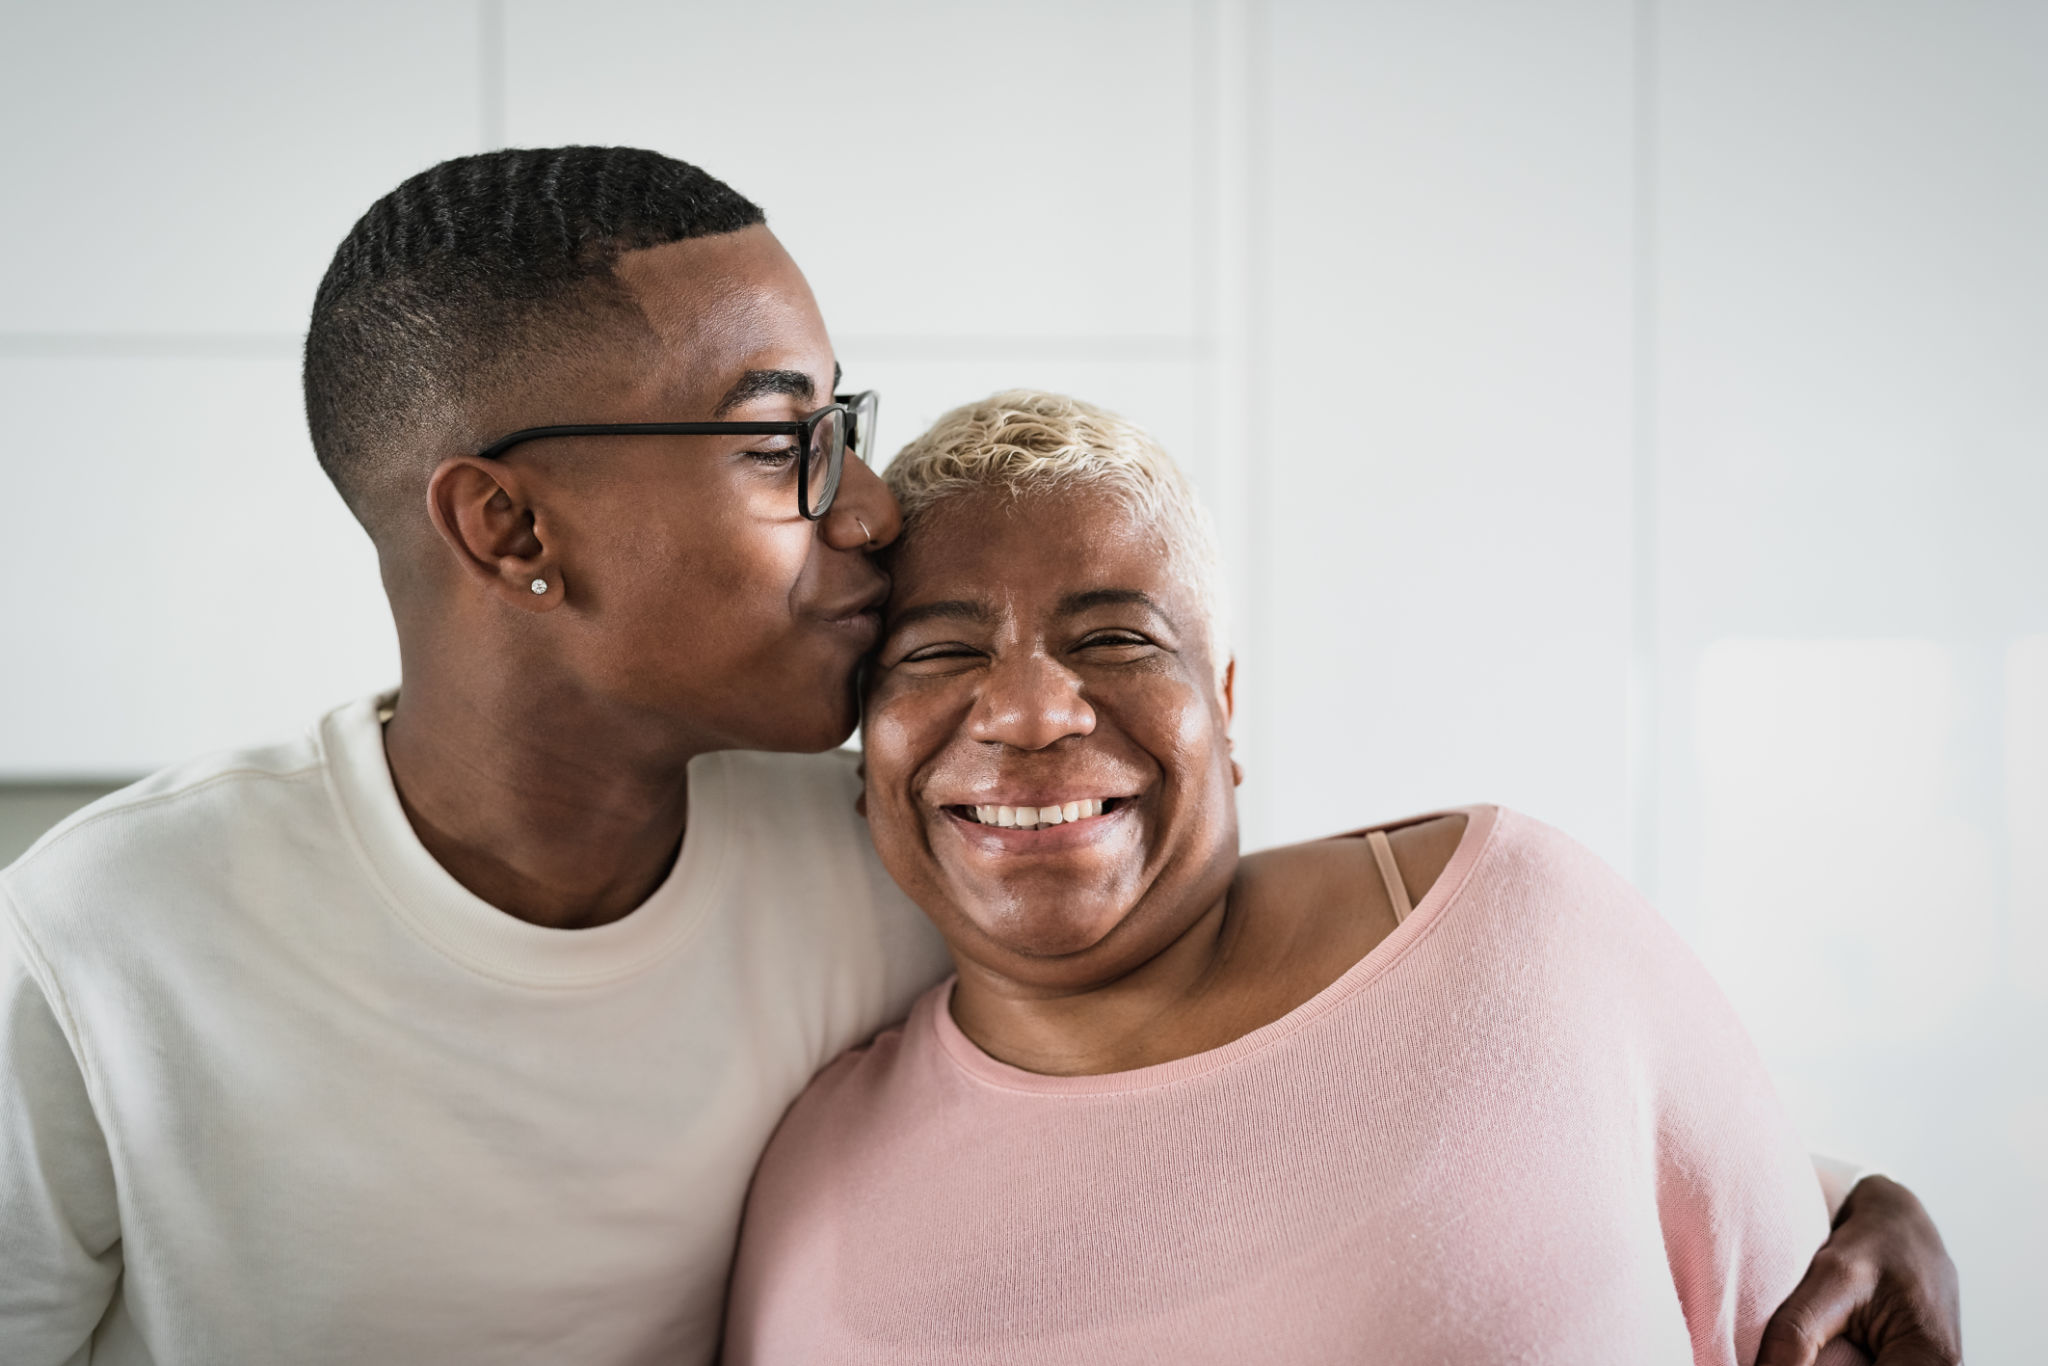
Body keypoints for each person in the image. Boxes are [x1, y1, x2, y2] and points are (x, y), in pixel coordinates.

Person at [0, 151, 1952, 1364]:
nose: (858, 513)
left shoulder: (868, 847)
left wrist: (1842, 1188)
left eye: (848, 432)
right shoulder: (98, 945)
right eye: (787, 442)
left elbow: (1380, 1038)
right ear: (511, 530)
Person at [723, 391, 1960, 1366]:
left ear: (1223, 707)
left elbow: (1791, 1290)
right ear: (863, 754)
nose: (1036, 710)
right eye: (938, 651)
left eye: (1114, 640)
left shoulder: (1519, 924)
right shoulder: (806, 1172)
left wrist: (1866, 1194)